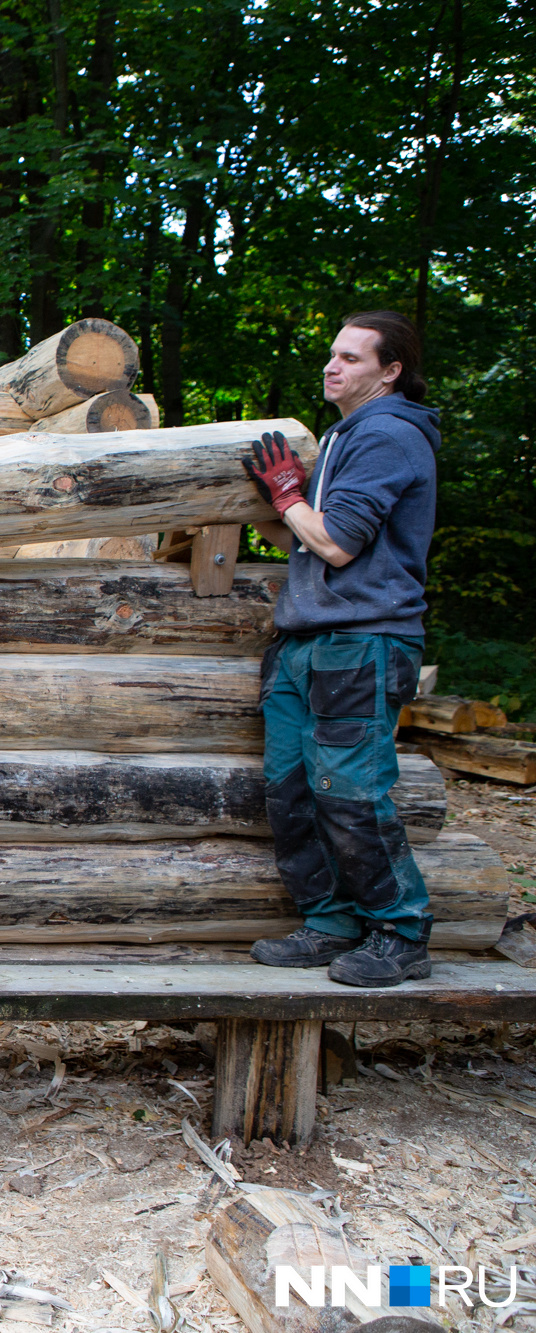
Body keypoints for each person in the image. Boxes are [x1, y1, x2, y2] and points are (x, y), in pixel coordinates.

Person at [243, 310, 439, 987]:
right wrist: (270, 504)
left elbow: (337, 542)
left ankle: (401, 930)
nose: (333, 366)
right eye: (332, 354)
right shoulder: (344, 435)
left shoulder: (389, 436)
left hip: (362, 640)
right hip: (307, 640)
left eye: (353, 358)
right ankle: (330, 922)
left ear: (390, 371)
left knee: (349, 792)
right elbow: (299, 541)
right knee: (291, 789)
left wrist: (288, 492)